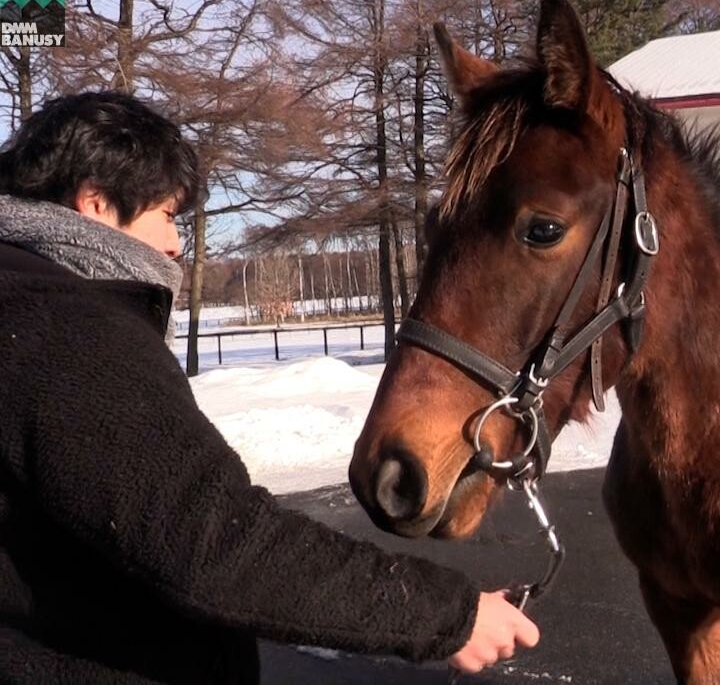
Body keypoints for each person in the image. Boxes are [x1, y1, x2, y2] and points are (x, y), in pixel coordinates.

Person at [0, 91, 538, 683]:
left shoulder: (23, 304)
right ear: (97, 203)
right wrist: (450, 618)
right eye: (168, 215)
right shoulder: (68, 332)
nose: (176, 244)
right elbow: (215, 541)